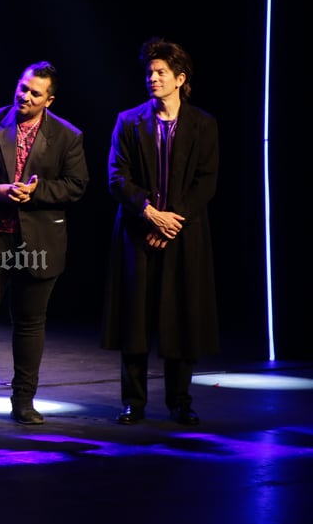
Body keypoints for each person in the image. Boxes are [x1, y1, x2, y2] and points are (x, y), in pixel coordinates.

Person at [0, 61, 89, 425]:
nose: (24, 96)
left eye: (34, 93)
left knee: (29, 322)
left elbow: (76, 185)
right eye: (23, 88)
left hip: (39, 239)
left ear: (49, 100)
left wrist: (37, 192)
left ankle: (23, 400)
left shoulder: (68, 136)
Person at [102, 37, 219, 426]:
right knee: (135, 318)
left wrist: (173, 222)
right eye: (150, 72)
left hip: (184, 235)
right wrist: (151, 214)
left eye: (160, 73)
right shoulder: (129, 120)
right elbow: (118, 177)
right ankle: (133, 401)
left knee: (181, 317)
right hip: (138, 231)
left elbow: (206, 181)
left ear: (179, 78)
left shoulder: (202, 124)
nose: (152, 78)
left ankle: (180, 400)